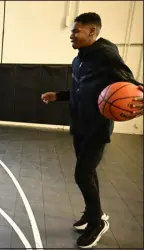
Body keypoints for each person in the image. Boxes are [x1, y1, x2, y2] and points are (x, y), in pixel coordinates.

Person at [41, 12, 143, 248]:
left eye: (76, 31)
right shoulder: (79, 59)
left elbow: (130, 83)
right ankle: (91, 212)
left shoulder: (106, 55)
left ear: (93, 32)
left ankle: (97, 223)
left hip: (97, 126)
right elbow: (80, 90)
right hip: (80, 124)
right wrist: (58, 96)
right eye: (72, 31)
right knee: (88, 172)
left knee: (82, 173)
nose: (71, 35)